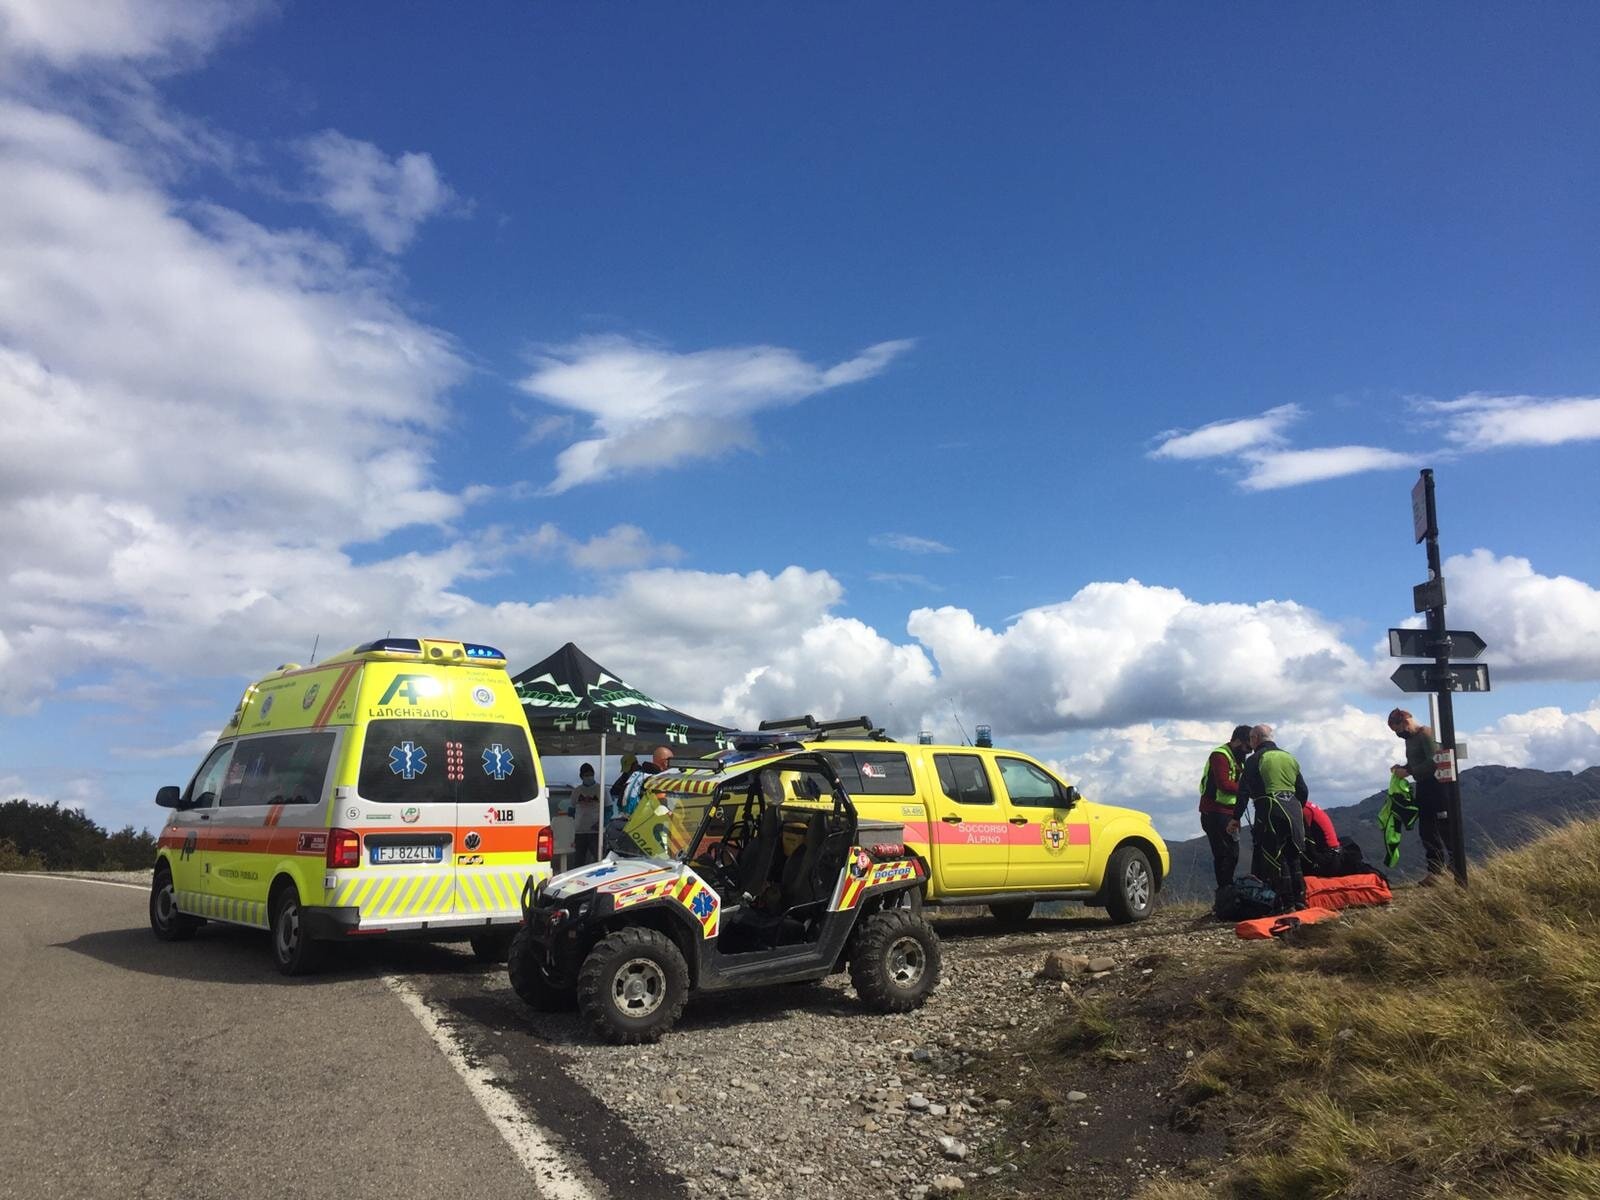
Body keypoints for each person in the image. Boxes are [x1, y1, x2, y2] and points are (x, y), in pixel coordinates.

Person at [1237, 723, 1308, 909]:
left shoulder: (1255, 759)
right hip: (1293, 809)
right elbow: (1303, 790)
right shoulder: (1288, 757)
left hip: (1269, 809)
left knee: (1275, 857)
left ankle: (1286, 903)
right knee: (1293, 855)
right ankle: (1301, 900)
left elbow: (1243, 792)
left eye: (1251, 739)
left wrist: (1235, 818)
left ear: (1255, 739)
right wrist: (1298, 808)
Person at [1387, 707, 1453, 883]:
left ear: (1406, 722)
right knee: (1427, 830)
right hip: (1423, 785)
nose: (1399, 734)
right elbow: (1417, 761)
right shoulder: (1410, 739)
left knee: (1443, 828)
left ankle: (1454, 865)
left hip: (1437, 786)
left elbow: (1434, 761)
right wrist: (1404, 768)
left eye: (1398, 730)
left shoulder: (1425, 734)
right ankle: (1435, 870)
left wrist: (1409, 771)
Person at [1198, 725, 1253, 892]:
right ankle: (1224, 891)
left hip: (1230, 812)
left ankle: (1226, 889)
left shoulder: (1239, 757)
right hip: (1215, 812)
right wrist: (1248, 789)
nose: (1248, 751)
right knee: (1225, 854)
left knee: (1232, 853)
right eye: (1247, 747)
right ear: (1237, 741)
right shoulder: (1220, 756)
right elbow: (1223, 784)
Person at [569, 763, 601, 868]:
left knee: (599, 860)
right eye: (586, 775)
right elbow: (572, 810)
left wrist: (601, 823)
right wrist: (573, 826)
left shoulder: (601, 789)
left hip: (596, 832)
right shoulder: (576, 791)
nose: (589, 777)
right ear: (581, 776)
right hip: (579, 832)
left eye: (591, 774)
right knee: (578, 862)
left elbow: (608, 809)